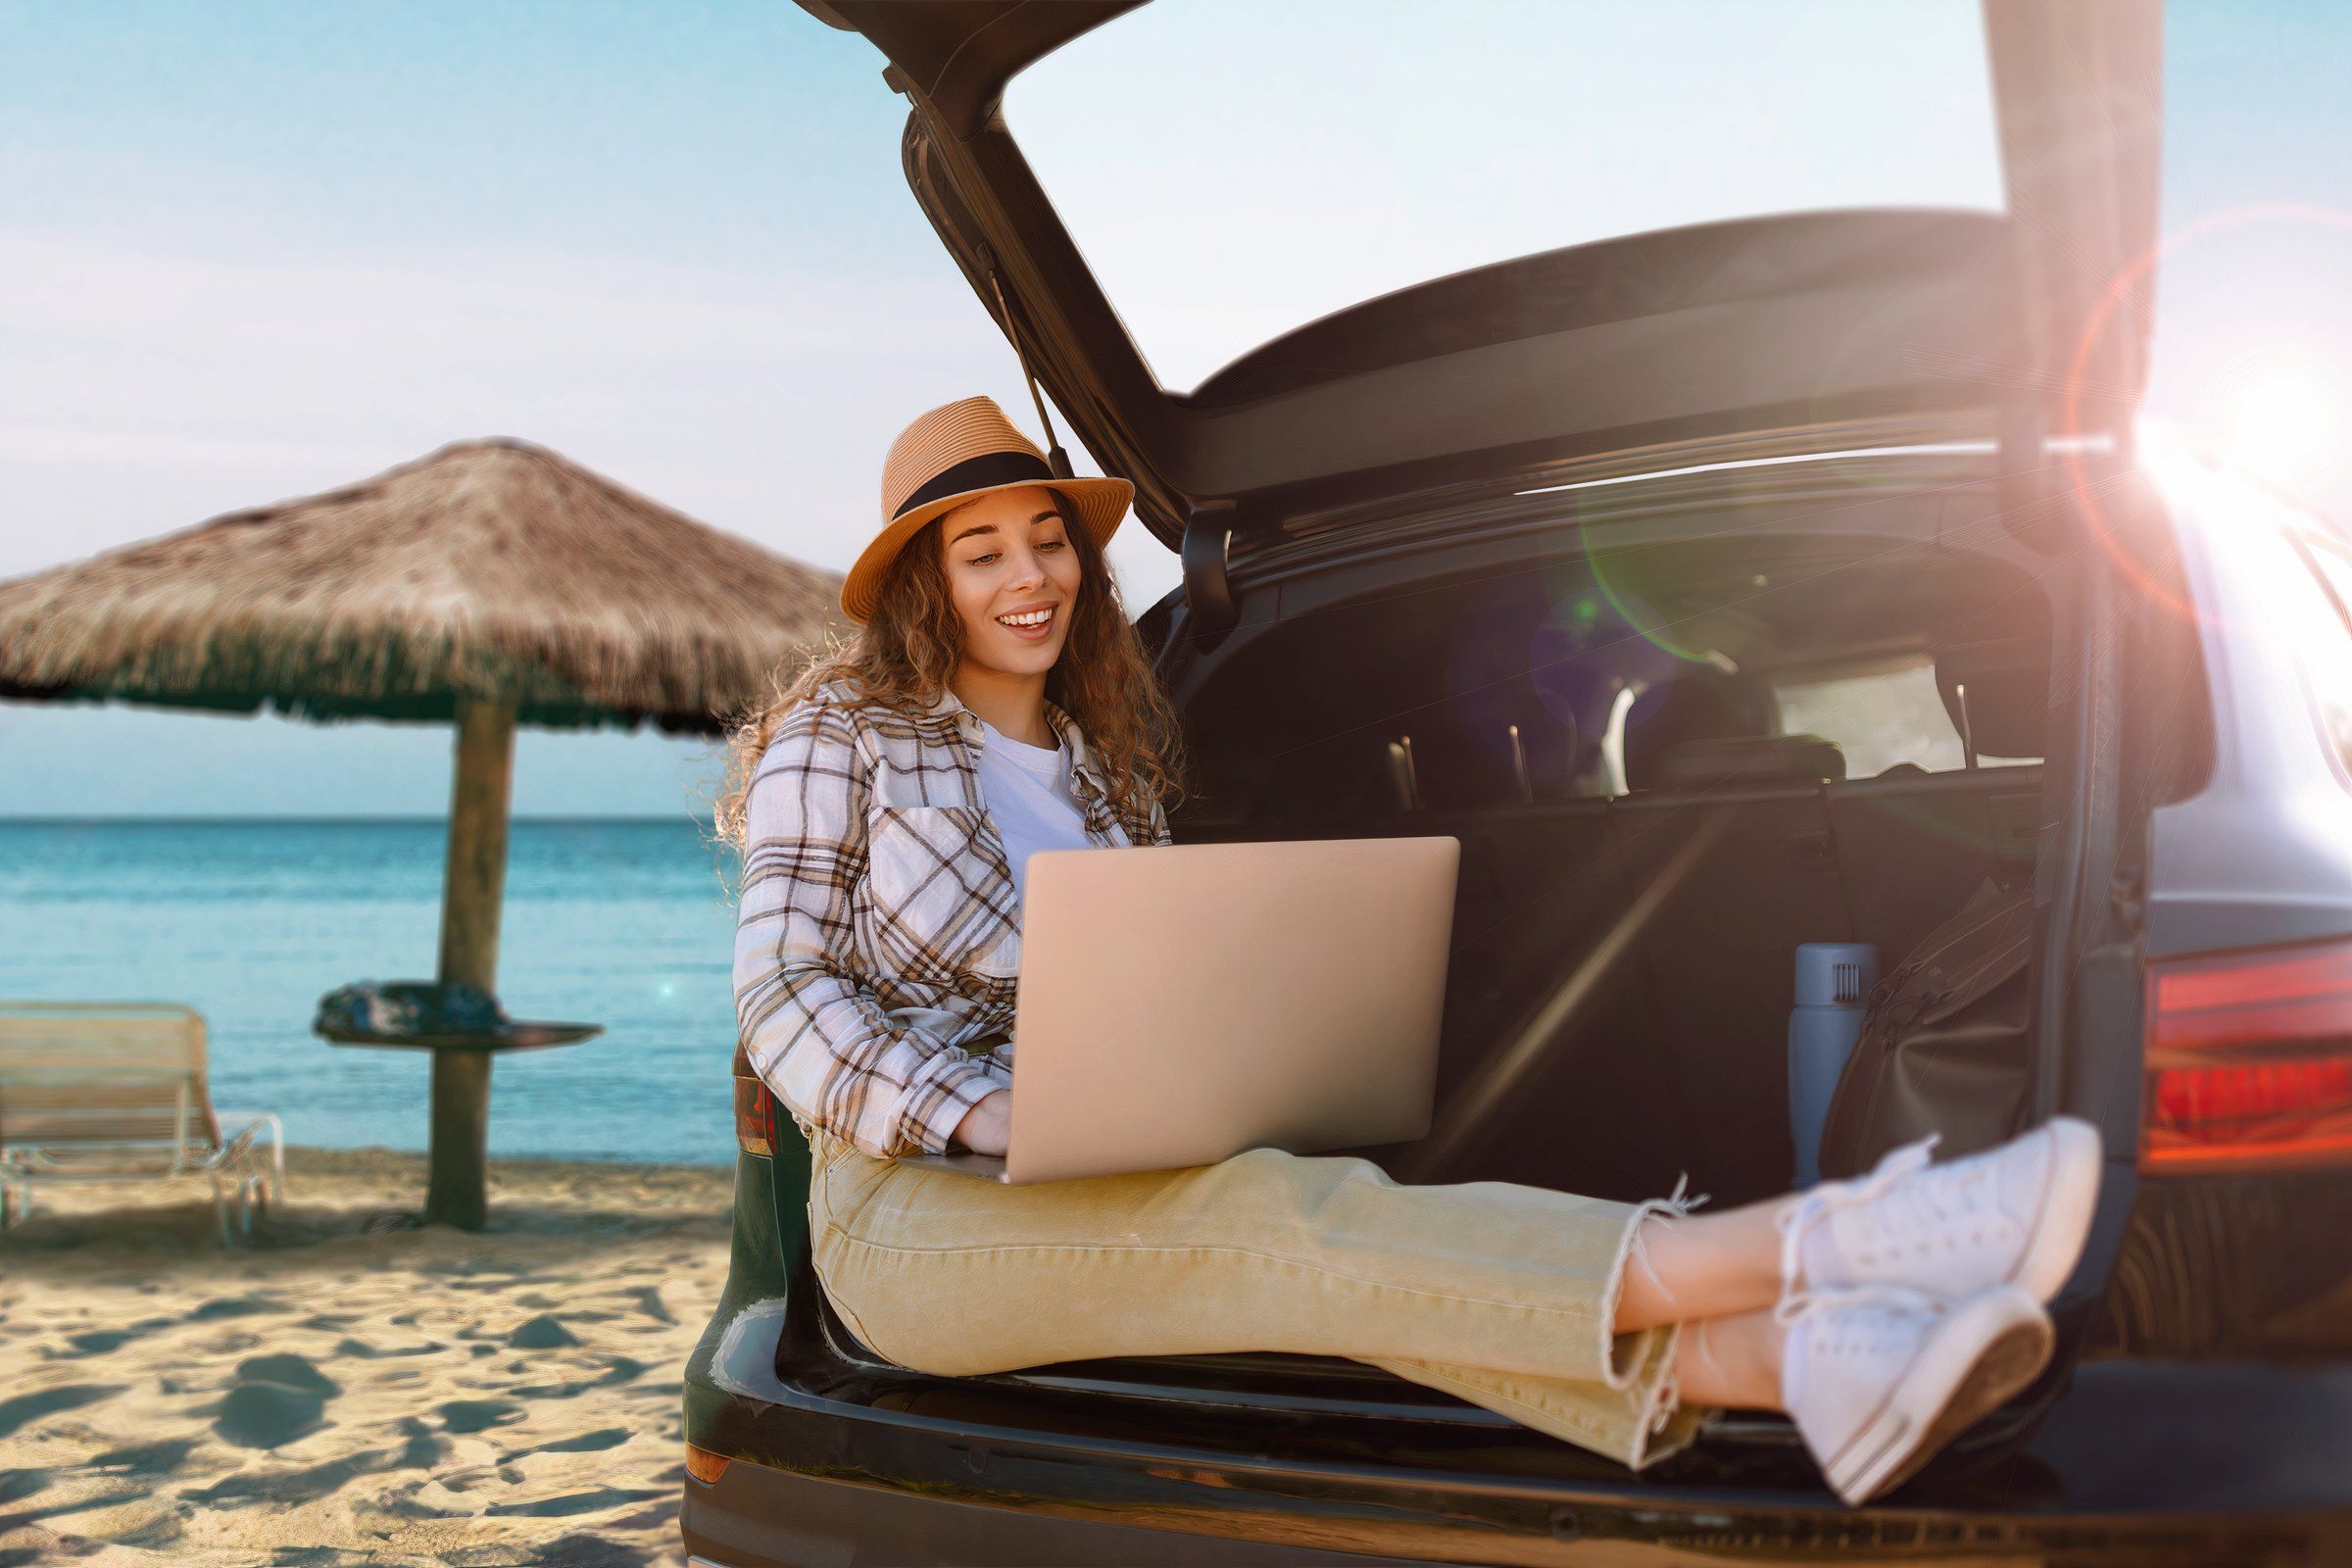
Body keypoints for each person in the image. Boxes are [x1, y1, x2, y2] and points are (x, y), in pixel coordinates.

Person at [721, 395, 2103, 1507]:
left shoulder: (1105, 771)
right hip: (901, 1213)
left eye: (1049, 540)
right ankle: (1832, 1245)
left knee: (1314, 1214)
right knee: (1273, 1220)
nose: (1032, 577)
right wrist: (981, 1110)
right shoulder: (841, 737)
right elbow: (782, 992)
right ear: (925, 583)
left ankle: (1805, 1366)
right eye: (986, 553)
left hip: (1100, 1159)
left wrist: (1208, 1076)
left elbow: (1139, 985)